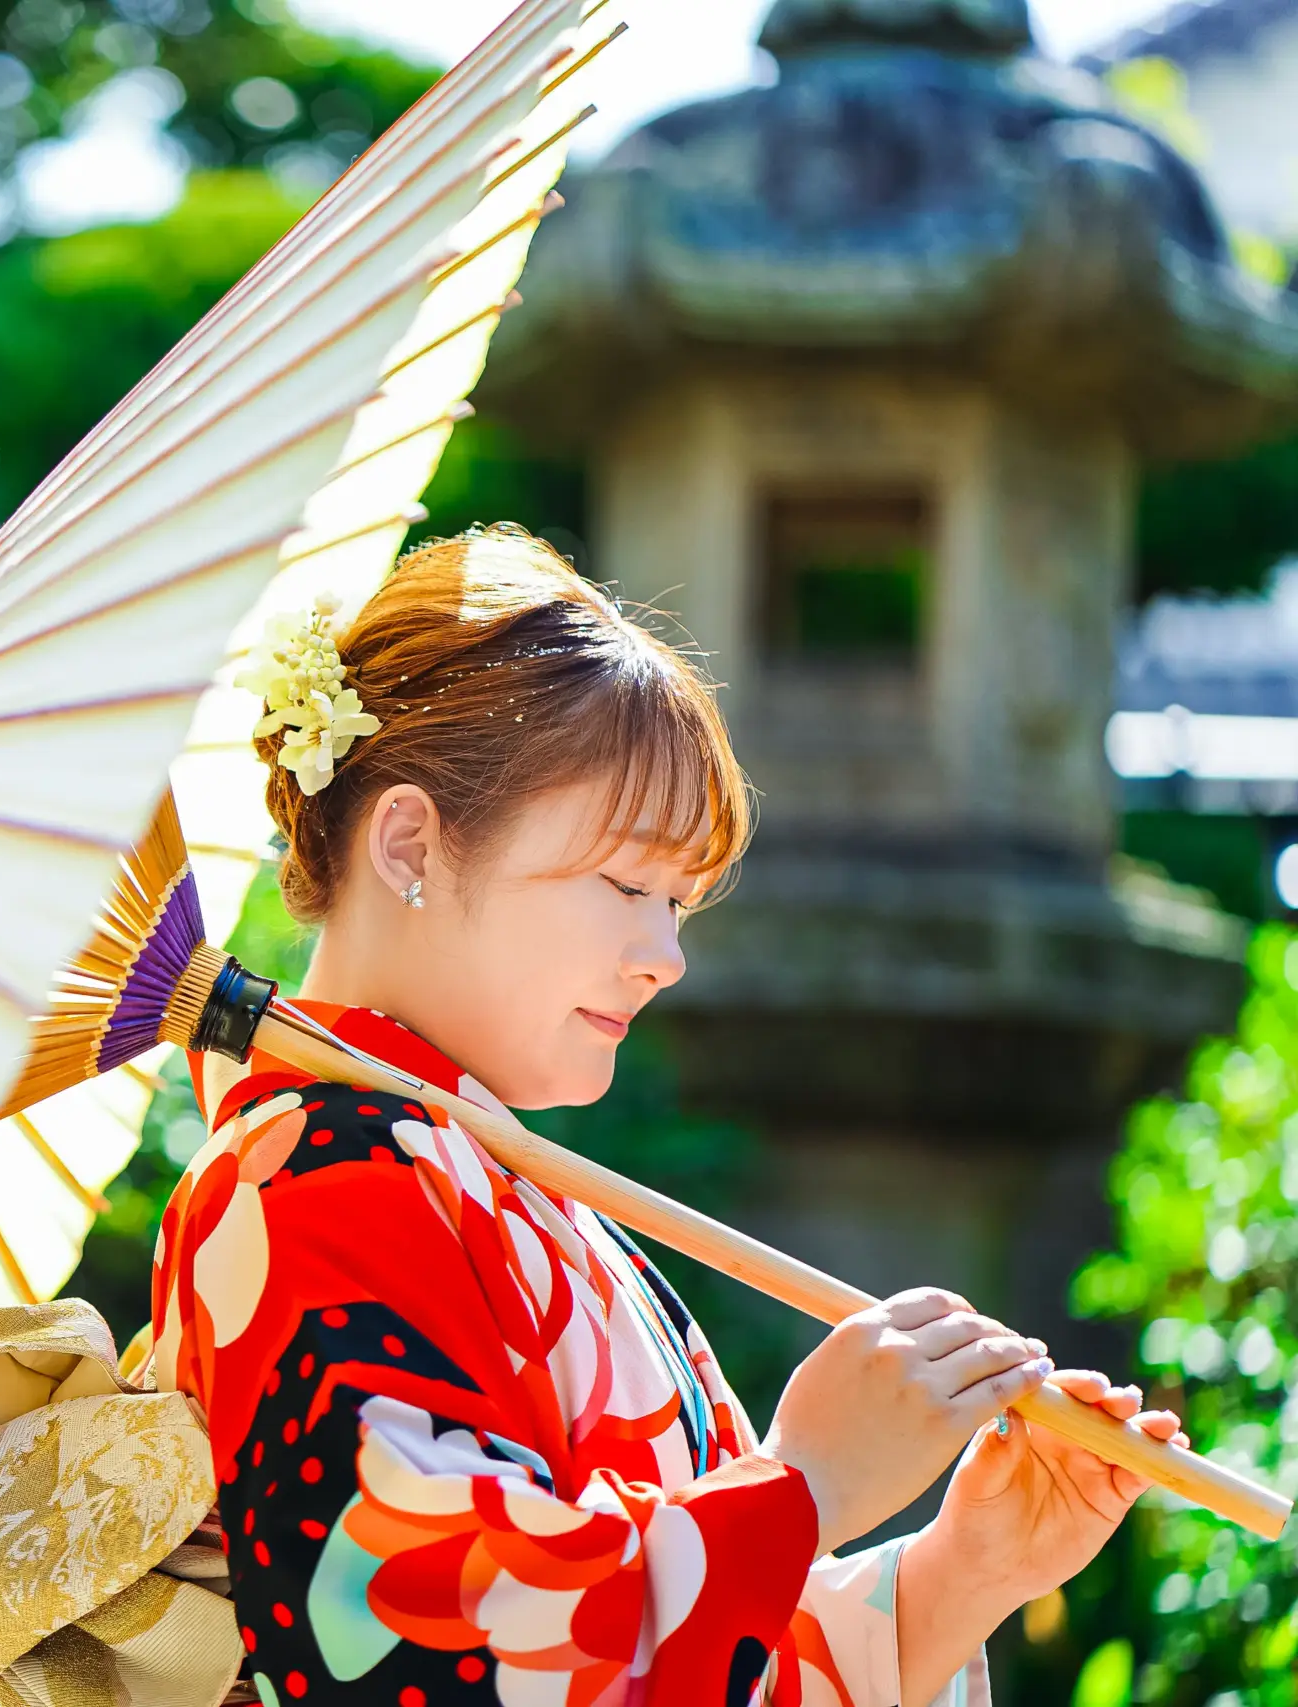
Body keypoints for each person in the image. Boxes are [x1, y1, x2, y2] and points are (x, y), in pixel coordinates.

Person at [147, 526, 1183, 1707]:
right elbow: (411, 1654)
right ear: (408, 843)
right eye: (628, 885)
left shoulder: (472, 1174)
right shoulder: (320, 1177)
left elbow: (693, 1642)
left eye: (679, 902)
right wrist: (803, 1486)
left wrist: (962, 1572)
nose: (664, 956)